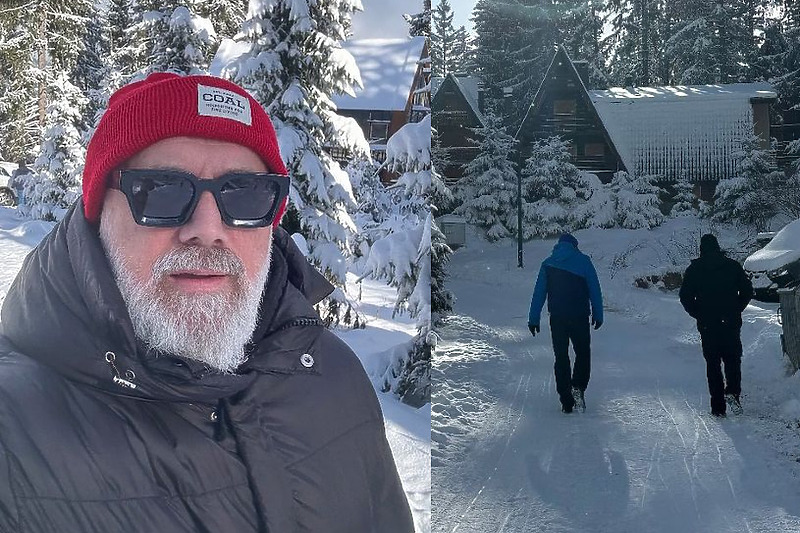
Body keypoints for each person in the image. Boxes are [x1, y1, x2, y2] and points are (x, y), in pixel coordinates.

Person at [0, 73, 413, 532]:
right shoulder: (14, 432)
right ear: (99, 215)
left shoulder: (333, 377)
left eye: (247, 194)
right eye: (161, 190)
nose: (208, 228)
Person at [528, 233, 603, 413]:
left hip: (557, 318)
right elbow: (594, 289)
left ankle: (566, 399)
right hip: (579, 316)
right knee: (583, 353)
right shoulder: (584, 261)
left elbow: (539, 293)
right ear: (574, 246)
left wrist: (533, 318)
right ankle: (578, 386)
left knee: (561, 357)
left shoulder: (547, 263)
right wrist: (598, 314)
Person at [679, 233, 753, 418]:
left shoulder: (695, 269)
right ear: (718, 247)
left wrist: (698, 313)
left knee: (713, 364)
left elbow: (685, 296)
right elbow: (747, 291)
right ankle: (733, 393)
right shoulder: (732, 266)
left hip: (708, 324)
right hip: (730, 322)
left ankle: (718, 407)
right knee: (733, 360)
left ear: (701, 249)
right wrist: (737, 308)